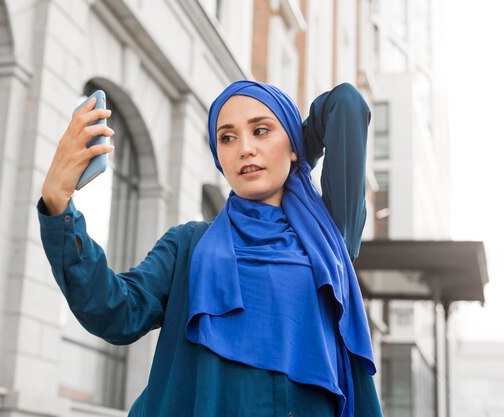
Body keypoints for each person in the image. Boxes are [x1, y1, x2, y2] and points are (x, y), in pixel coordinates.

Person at [38, 80, 384, 417]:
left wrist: (296, 147)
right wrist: (58, 204)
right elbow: (116, 312)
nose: (245, 148)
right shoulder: (189, 245)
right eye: (228, 138)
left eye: (261, 131)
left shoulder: (327, 237)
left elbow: (347, 104)